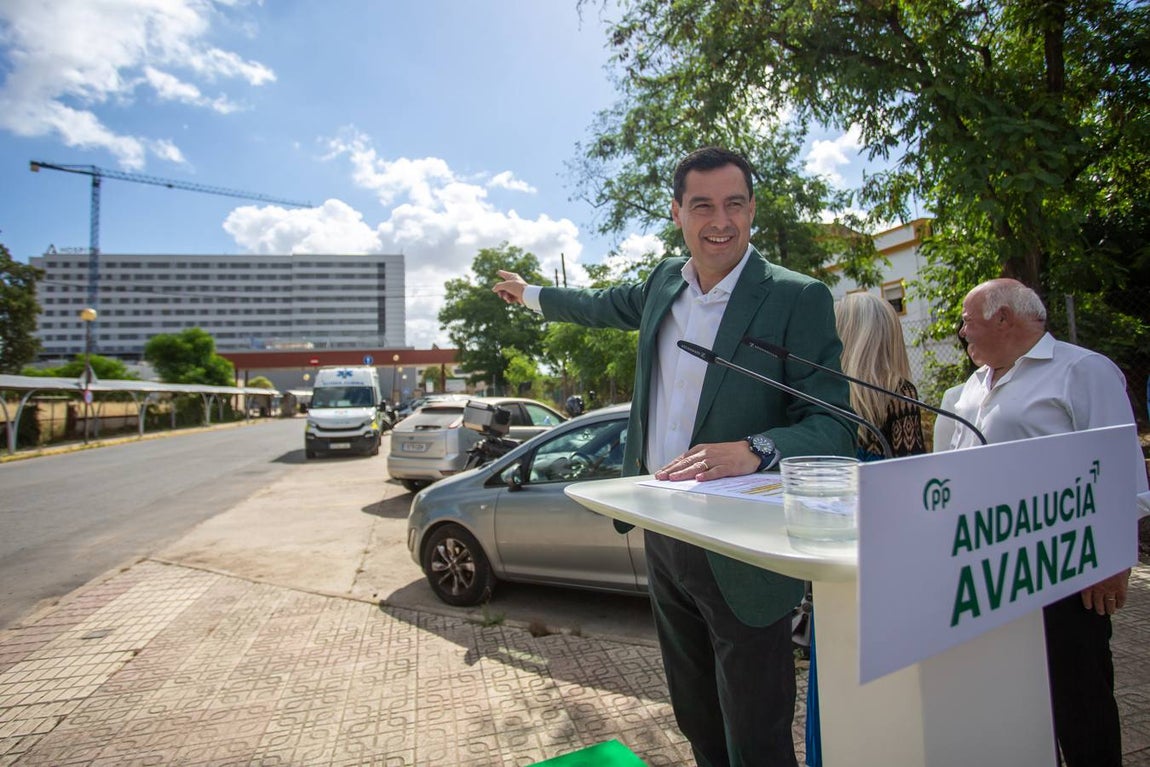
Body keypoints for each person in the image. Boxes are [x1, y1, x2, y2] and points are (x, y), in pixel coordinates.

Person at [493, 146, 853, 767]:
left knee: (756, 734)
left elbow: (833, 426)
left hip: (745, 548)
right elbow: (597, 304)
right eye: (703, 205)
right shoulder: (664, 282)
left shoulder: (798, 297)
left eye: (735, 204)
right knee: (695, 716)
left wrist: (756, 450)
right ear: (677, 212)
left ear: (752, 209)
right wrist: (529, 296)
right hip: (663, 529)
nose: (721, 220)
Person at [942, 277, 1147, 767]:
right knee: (1015, 703)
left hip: (1066, 568)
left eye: (967, 323)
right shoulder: (972, 386)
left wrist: (1112, 559)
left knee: (1080, 697)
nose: (962, 334)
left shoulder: (1081, 371)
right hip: (990, 567)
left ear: (1003, 318)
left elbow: (1122, 473)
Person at [801, 292, 928, 766]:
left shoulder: (821, 397)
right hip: (883, 551)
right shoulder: (898, 393)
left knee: (832, 661)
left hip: (831, 545)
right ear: (886, 335)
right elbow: (913, 479)